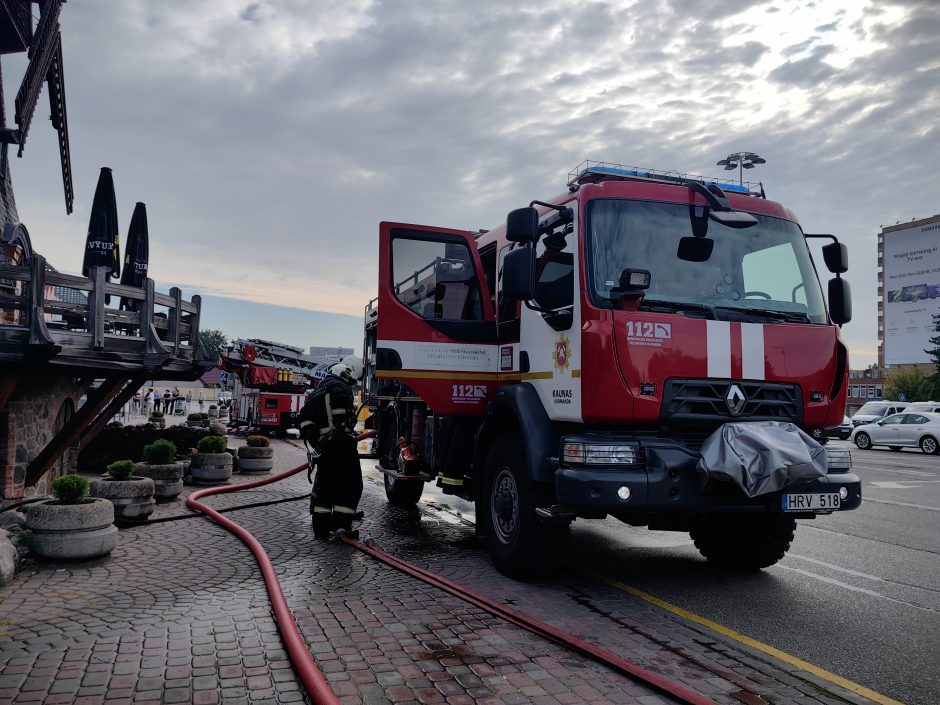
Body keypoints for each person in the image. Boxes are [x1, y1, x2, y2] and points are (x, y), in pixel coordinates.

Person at [297, 355, 363, 539]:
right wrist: (345, 428)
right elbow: (341, 420)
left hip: (323, 447)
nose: (350, 383)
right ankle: (341, 525)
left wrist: (315, 438)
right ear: (344, 373)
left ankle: (321, 528)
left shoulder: (317, 391)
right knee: (350, 485)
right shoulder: (341, 388)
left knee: (325, 486)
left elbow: (303, 418)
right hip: (342, 444)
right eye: (350, 379)